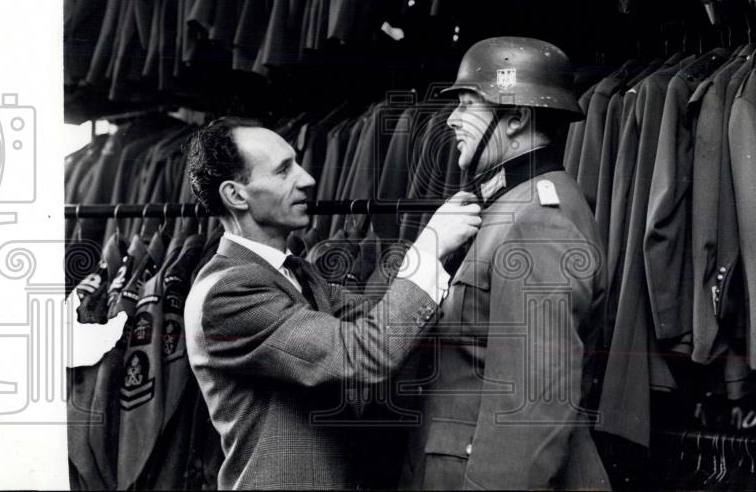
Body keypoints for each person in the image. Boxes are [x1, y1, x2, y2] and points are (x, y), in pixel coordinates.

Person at [182, 117, 481, 490]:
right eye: (283, 171)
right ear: (236, 195)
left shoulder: (299, 273)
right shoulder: (227, 293)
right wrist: (430, 246)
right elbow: (361, 354)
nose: (306, 179)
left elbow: (379, 324)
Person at [399, 37, 610, 490]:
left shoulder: (539, 221)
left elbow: (533, 402)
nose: (451, 119)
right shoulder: (505, 206)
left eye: (468, 104)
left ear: (516, 118)